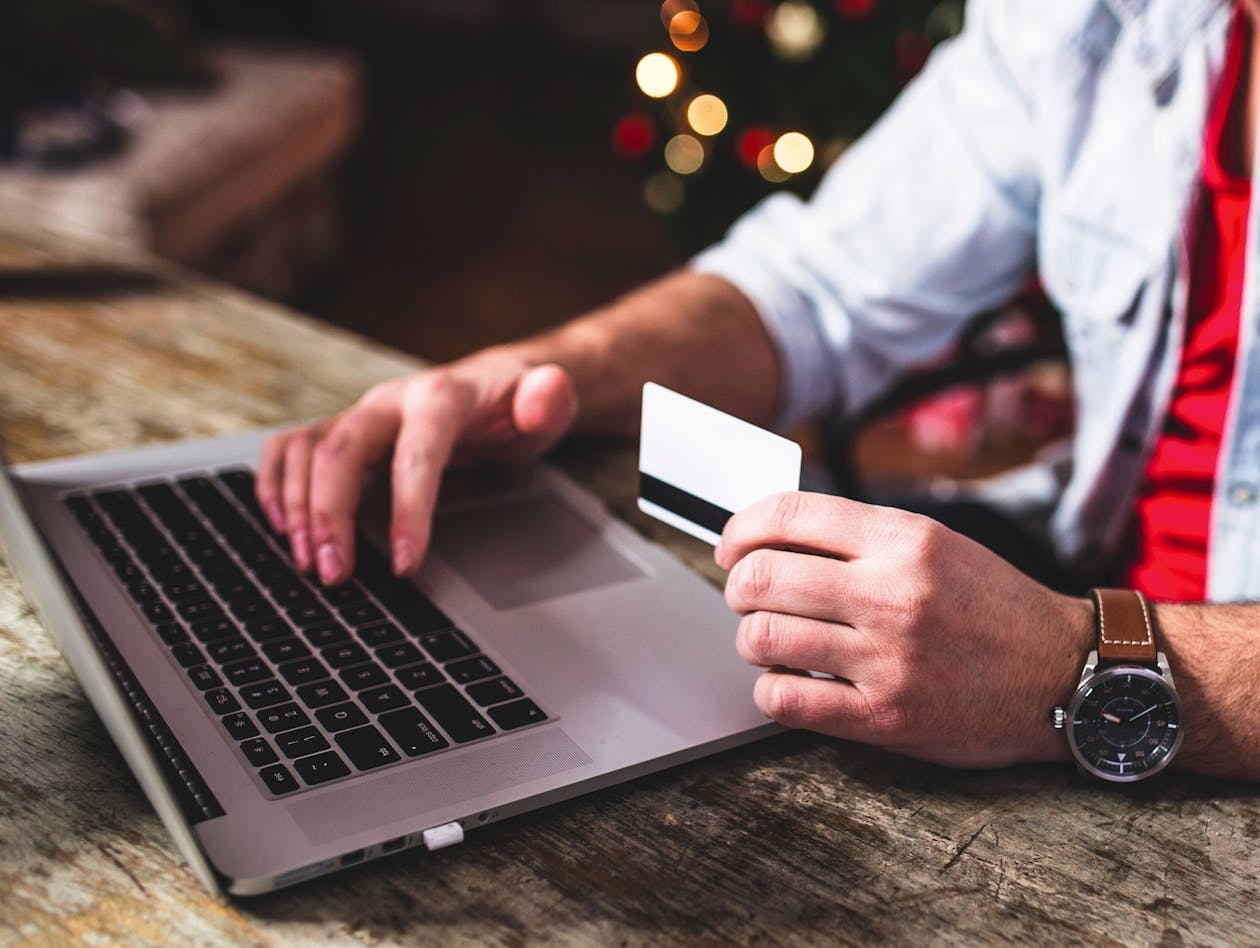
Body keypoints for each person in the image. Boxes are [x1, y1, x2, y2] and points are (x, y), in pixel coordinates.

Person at [257, 0, 1260, 782]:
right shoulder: (1102, 20)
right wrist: (542, 370)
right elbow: (824, 281)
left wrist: (1069, 667)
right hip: (1086, 570)